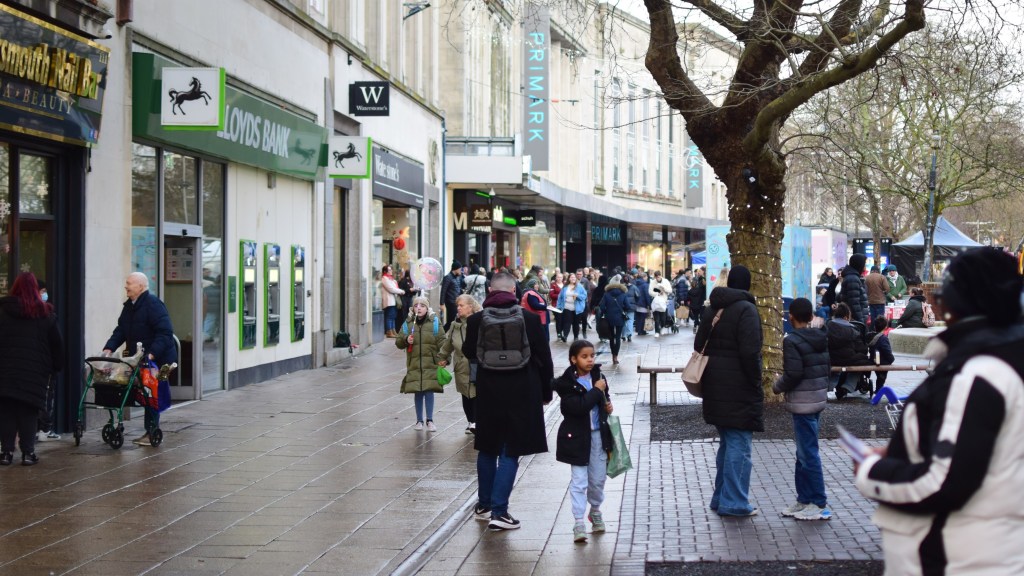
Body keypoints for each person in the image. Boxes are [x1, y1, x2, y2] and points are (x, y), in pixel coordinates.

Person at [854, 247, 1024, 575]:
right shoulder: (1005, 362)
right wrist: (912, 449)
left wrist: (870, 470)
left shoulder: (978, 375)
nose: (937, 305)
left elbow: (943, 482)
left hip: (954, 560)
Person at [463, 272, 554, 531]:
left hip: (489, 389)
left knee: (487, 447)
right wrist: (546, 392)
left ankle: (484, 505)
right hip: (522, 389)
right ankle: (500, 512)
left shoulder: (476, 320)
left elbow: (469, 352)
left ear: (490, 290)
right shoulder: (528, 318)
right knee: (510, 449)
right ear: (514, 289)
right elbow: (544, 357)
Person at [695, 266, 764, 517]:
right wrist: (756, 380)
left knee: (727, 442)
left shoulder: (714, 307)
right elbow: (750, 352)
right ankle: (734, 501)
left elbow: (698, 343)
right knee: (739, 445)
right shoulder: (746, 309)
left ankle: (720, 497)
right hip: (739, 387)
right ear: (747, 284)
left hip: (714, 384)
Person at [772, 297, 833, 521]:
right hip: (816, 398)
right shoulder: (821, 336)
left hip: (802, 401)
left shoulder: (792, 341)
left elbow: (793, 374)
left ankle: (818, 502)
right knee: (804, 453)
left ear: (791, 317)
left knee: (808, 454)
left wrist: (777, 385)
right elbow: (827, 367)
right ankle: (804, 499)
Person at [103, 272, 176, 447]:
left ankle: (151, 431)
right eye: (126, 283)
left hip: (159, 359)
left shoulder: (153, 304)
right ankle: (147, 429)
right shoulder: (130, 306)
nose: (126, 286)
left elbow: (165, 334)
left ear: (141, 287)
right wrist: (109, 347)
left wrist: (151, 354)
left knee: (151, 392)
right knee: (143, 392)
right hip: (141, 357)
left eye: (129, 283)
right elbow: (121, 330)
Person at [0, 273, 64, 465]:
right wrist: (55, 367)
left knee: (7, 412)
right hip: (34, 372)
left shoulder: (3, 311)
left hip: (6, 370)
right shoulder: (45, 313)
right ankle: (28, 453)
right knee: (29, 411)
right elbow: (57, 345)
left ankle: (6, 453)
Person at [554, 339, 614, 543]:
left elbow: (605, 397)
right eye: (584, 356)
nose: (590, 360)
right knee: (579, 481)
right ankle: (579, 521)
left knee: (597, 480)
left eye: (592, 356)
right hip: (577, 438)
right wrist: (596, 391)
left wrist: (608, 404)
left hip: (598, 435)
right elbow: (579, 407)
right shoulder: (566, 384)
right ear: (573, 359)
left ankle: (595, 510)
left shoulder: (599, 376)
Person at [395, 296, 446, 432]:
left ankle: (430, 420)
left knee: (429, 390)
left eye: (422, 305)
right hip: (415, 363)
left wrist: (444, 358)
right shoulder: (408, 323)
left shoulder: (434, 321)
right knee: (417, 390)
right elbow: (399, 342)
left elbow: (442, 341)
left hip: (430, 362)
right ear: (413, 308)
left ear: (427, 308)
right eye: (416, 305)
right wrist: (406, 340)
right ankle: (419, 420)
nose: (419, 308)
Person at [438, 294, 481, 434]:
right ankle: (471, 421)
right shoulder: (455, 324)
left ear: (470, 306)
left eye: (461, 305)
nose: (458, 308)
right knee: (465, 394)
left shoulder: (480, 321)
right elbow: (448, 343)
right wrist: (443, 358)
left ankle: (476, 422)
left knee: (475, 393)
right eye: (458, 305)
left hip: (476, 363)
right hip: (461, 365)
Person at [827, 302, 873, 399]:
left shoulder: (827, 327)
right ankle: (848, 385)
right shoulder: (853, 330)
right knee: (865, 362)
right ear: (846, 317)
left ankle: (830, 385)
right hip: (848, 359)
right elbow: (861, 349)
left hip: (831, 359)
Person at [34, 280, 61, 442]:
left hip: (41, 363)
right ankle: (43, 428)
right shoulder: (47, 316)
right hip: (44, 364)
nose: (44, 295)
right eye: (42, 291)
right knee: (45, 396)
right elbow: (56, 343)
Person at [598, 277, 631, 365]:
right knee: (618, 337)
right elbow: (628, 306)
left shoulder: (606, 294)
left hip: (609, 317)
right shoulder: (623, 294)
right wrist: (623, 309)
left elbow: (601, 307)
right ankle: (616, 356)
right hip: (620, 317)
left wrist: (606, 311)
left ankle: (613, 355)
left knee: (612, 336)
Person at [837, 255, 869, 324]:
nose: (865, 265)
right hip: (855, 321)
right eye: (864, 263)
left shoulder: (854, 277)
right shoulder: (853, 279)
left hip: (855, 319)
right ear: (859, 264)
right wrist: (861, 322)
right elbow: (854, 303)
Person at [557, 272, 587, 342]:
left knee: (576, 323)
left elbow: (584, 296)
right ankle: (565, 336)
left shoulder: (579, 286)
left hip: (577, 308)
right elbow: (560, 297)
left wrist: (578, 296)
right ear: (569, 279)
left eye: (574, 277)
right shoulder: (565, 287)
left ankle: (576, 337)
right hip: (567, 307)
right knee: (567, 322)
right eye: (571, 277)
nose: (573, 278)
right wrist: (558, 306)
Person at [868, 316, 895, 392]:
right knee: (882, 376)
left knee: (880, 376)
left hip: (872, 360)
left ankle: (878, 389)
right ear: (886, 327)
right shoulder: (883, 338)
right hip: (882, 362)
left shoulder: (871, 336)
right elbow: (887, 351)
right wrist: (892, 359)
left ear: (875, 326)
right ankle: (879, 390)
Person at [380, 264, 405, 338]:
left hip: (393, 301)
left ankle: (393, 331)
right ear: (385, 271)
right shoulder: (384, 278)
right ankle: (389, 331)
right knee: (389, 317)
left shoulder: (391, 279)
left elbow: (394, 288)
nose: (391, 271)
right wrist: (401, 291)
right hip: (389, 301)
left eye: (391, 269)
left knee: (393, 316)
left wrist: (399, 290)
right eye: (389, 270)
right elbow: (391, 289)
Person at [440, 261, 464, 331]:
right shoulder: (447, 277)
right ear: (455, 269)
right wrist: (441, 303)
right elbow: (443, 291)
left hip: (457, 302)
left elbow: (457, 289)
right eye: (460, 269)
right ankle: (440, 335)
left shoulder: (457, 277)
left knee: (454, 321)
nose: (461, 271)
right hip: (450, 303)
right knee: (450, 322)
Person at [648, 271, 672, 337]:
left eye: (659, 276)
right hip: (655, 302)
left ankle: (663, 327)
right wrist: (657, 293)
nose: (658, 278)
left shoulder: (666, 281)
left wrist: (664, 289)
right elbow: (650, 292)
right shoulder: (653, 282)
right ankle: (657, 332)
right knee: (656, 318)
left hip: (663, 301)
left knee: (663, 317)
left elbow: (670, 290)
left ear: (661, 275)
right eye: (656, 277)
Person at [687, 268, 707, 334]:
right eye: (698, 272)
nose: (698, 273)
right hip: (699, 302)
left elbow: (687, 298)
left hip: (697, 303)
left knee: (697, 316)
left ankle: (696, 326)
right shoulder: (699, 280)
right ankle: (698, 326)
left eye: (700, 271)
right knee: (700, 316)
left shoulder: (703, 280)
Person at [634, 272, 651, 336]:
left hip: (636, 303)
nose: (647, 278)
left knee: (638, 317)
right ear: (644, 277)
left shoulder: (636, 283)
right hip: (643, 303)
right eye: (646, 277)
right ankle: (641, 331)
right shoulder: (645, 285)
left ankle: (638, 329)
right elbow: (647, 295)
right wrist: (649, 304)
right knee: (642, 317)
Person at [622, 275, 638, 342]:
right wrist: (634, 302)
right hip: (631, 307)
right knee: (630, 320)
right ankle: (629, 335)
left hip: (623, 307)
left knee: (623, 320)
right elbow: (638, 296)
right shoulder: (634, 287)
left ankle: (623, 335)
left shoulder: (622, 287)